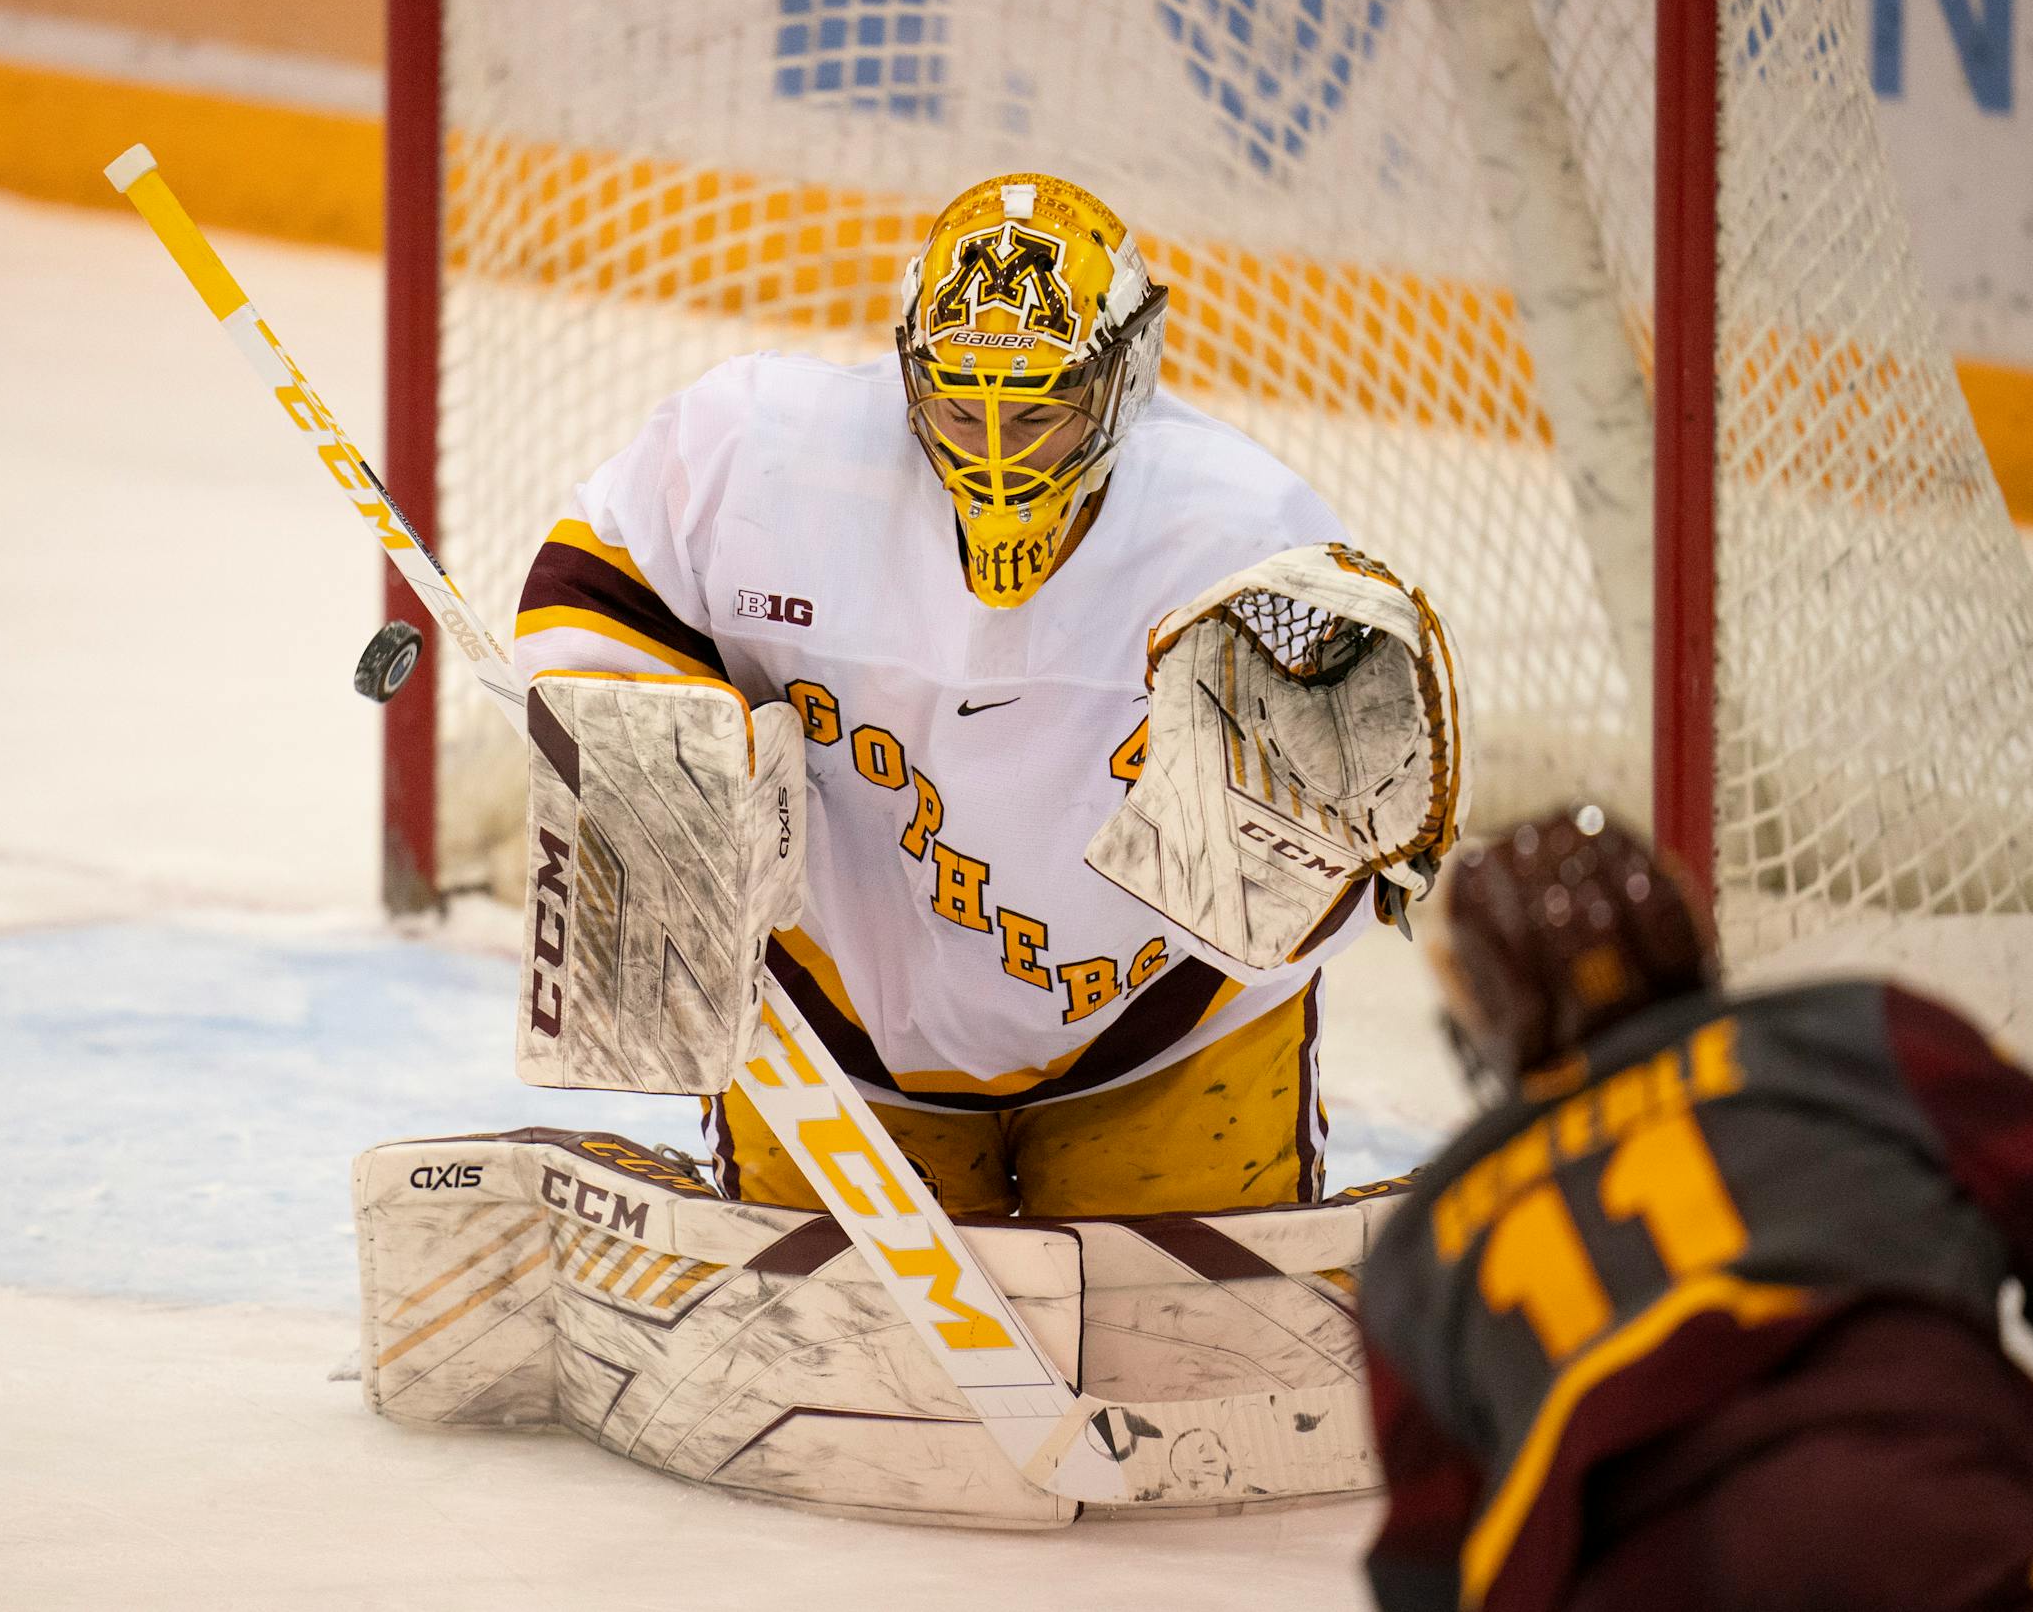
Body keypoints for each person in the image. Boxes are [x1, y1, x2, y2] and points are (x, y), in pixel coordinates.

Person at [509, 171, 1461, 1219]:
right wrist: (683, 773)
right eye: (963, 407)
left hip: (1163, 1032)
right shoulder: (769, 454)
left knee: (1191, 1367)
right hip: (842, 1020)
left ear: (1125, 377)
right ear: (911, 372)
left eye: (1042, 412)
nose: (998, 457)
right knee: (851, 1372)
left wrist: (1345, 845)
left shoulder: (1240, 538)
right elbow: (590, 584)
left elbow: (1343, 842)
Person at [1361, 804, 2033, 1612]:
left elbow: (1424, 1578)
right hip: (1924, 1532)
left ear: (1488, 1009)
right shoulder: (1857, 1037)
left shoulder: (1421, 1248)